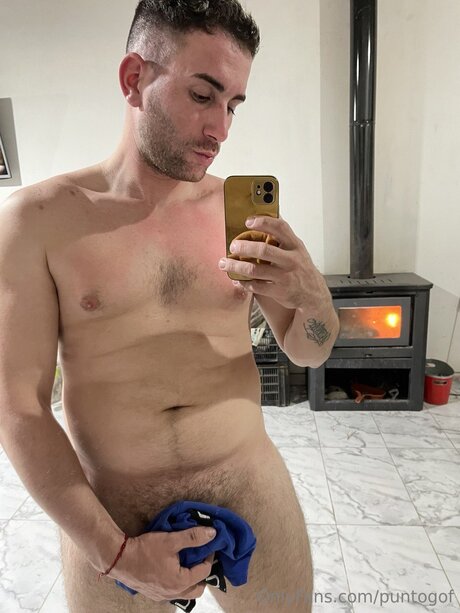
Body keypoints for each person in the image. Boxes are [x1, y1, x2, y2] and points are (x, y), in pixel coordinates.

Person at [0, 1, 339, 611]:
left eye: (233, 105)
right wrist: (112, 553)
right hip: (112, 510)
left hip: (249, 483)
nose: (222, 129)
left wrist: (311, 294)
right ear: (134, 78)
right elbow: (18, 408)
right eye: (203, 95)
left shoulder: (240, 217)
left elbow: (311, 351)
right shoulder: (38, 222)